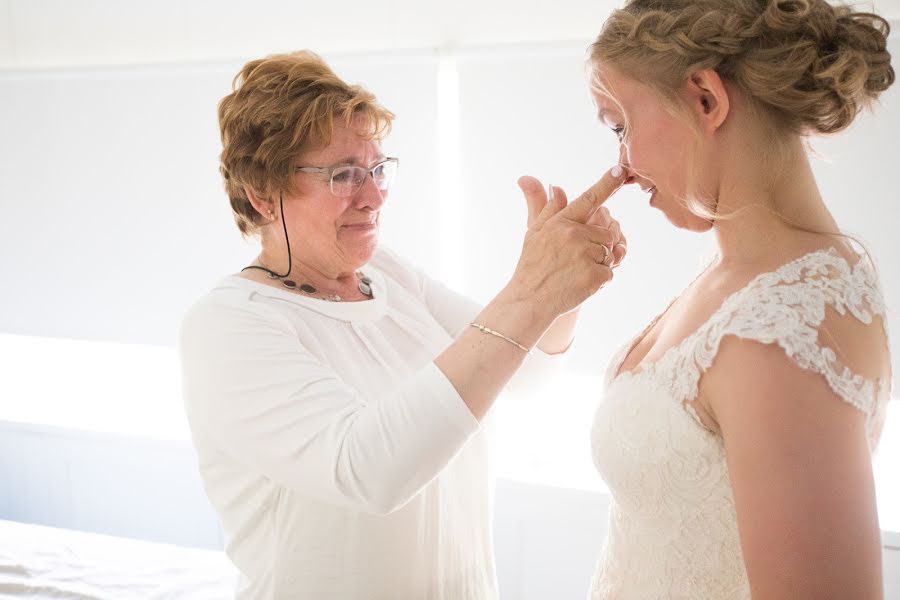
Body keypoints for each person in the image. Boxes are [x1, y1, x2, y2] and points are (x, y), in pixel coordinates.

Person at [178, 50, 628, 599]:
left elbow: (523, 369)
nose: (373, 195)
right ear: (262, 195)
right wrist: (531, 289)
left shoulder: (384, 274)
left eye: (376, 169)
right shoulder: (229, 327)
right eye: (343, 175)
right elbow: (369, 471)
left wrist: (564, 286)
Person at [585, 0, 894, 598]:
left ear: (706, 98)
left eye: (619, 125)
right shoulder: (742, 274)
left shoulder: (782, 327)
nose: (620, 167)